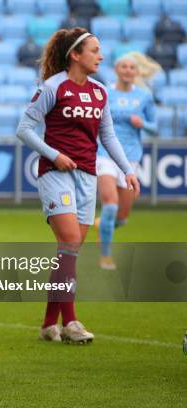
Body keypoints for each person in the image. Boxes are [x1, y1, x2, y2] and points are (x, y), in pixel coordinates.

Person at [16, 27, 140, 344]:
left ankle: (48, 324)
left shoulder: (100, 92)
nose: (101, 56)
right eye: (94, 50)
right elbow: (25, 129)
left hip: (87, 175)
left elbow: (108, 136)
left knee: (67, 252)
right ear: (75, 55)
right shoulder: (52, 87)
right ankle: (71, 322)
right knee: (70, 240)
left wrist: (127, 169)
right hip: (55, 173)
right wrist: (54, 154)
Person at [95, 53, 157, 270]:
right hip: (105, 154)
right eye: (124, 66)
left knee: (121, 218)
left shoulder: (144, 97)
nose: (128, 70)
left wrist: (143, 124)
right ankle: (105, 256)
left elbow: (155, 128)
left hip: (131, 158)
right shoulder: (105, 93)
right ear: (117, 70)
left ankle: (101, 225)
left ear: (137, 72)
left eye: (132, 67)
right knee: (110, 206)